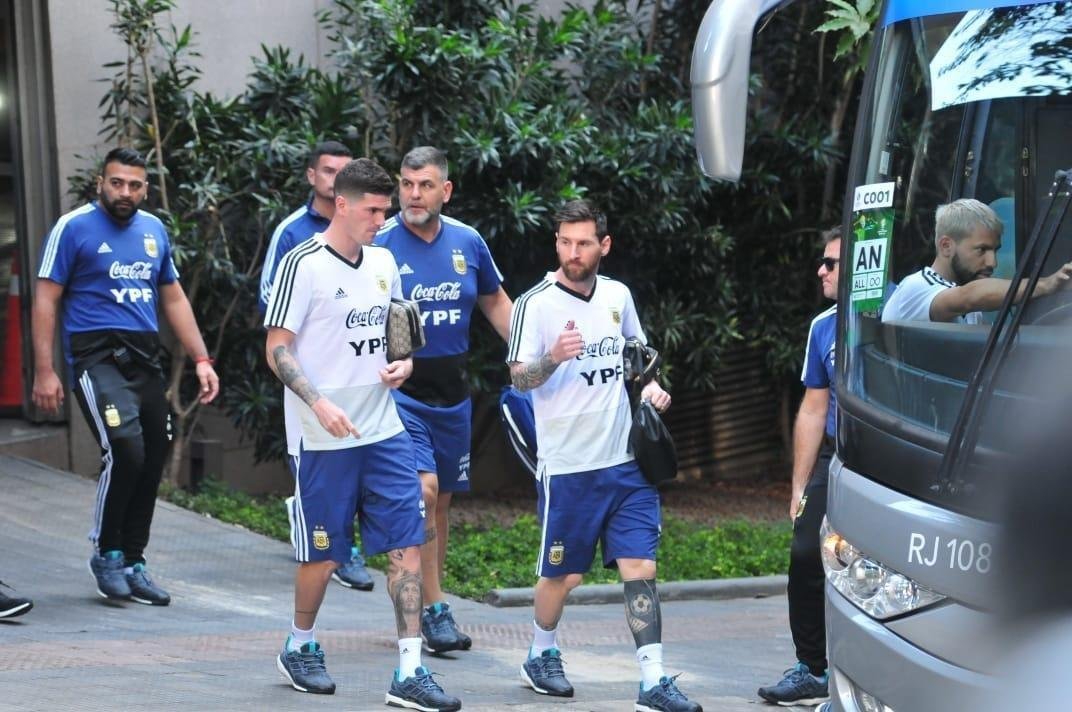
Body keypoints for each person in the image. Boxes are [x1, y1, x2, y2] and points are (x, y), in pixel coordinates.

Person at [264, 158, 460, 711]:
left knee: (408, 541)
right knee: (322, 558)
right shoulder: (302, 264)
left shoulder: (384, 262)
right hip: (321, 436)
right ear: (343, 205)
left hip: (383, 429)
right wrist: (319, 401)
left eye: (385, 209)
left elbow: (398, 337)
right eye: (373, 210)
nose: (383, 218)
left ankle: (410, 670)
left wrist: (405, 366)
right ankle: (299, 644)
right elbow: (276, 348)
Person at [507, 199, 701, 712]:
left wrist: (652, 388)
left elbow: (639, 358)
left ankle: (653, 681)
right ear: (557, 244)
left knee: (640, 567)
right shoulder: (536, 304)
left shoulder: (618, 295)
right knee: (563, 576)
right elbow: (518, 378)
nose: (574, 252)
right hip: (569, 468)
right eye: (566, 242)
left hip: (626, 463)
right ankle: (540, 653)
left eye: (584, 243)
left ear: (604, 245)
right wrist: (553, 359)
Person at [31, 147, 220, 606]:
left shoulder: (154, 230)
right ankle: (107, 554)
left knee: (152, 454)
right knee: (124, 448)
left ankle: (134, 561)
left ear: (146, 189)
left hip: (144, 358)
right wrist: (44, 370)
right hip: (96, 358)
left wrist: (200, 359)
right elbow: (45, 299)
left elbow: (172, 298)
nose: (125, 192)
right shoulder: (72, 228)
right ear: (101, 183)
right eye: (117, 183)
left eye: (135, 185)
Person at [374, 146, 512, 653]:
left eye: (424, 185)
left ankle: (426, 600)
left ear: (444, 190)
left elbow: (495, 300)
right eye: (406, 184)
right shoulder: (380, 243)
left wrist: (527, 355)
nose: (413, 194)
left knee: (441, 507)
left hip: (453, 396)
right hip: (399, 395)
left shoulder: (467, 242)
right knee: (423, 495)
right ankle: (429, 612)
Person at [259, 140, 373, 592]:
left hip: (360, 373)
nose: (336, 179)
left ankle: (342, 539)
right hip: (308, 372)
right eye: (329, 171)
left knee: (362, 454)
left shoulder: (371, 231)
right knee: (318, 454)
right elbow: (272, 299)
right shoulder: (293, 233)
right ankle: (337, 546)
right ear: (312, 176)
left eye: (345, 171)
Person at [757, 227, 840, 707]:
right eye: (822, 261)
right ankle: (812, 668)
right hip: (836, 452)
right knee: (807, 553)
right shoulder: (822, 326)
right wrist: (799, 487)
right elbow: (812, 409)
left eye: (830, 263)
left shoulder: (895, 313)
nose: (821, 271)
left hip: (887, 451)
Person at [881, 198, 1072, 323]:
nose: (993, 263)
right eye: (982, 250)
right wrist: (1048, 284)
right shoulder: (916, 288)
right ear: (946, 246)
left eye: (995, 250)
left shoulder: (972, 311)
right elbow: (969, 297)